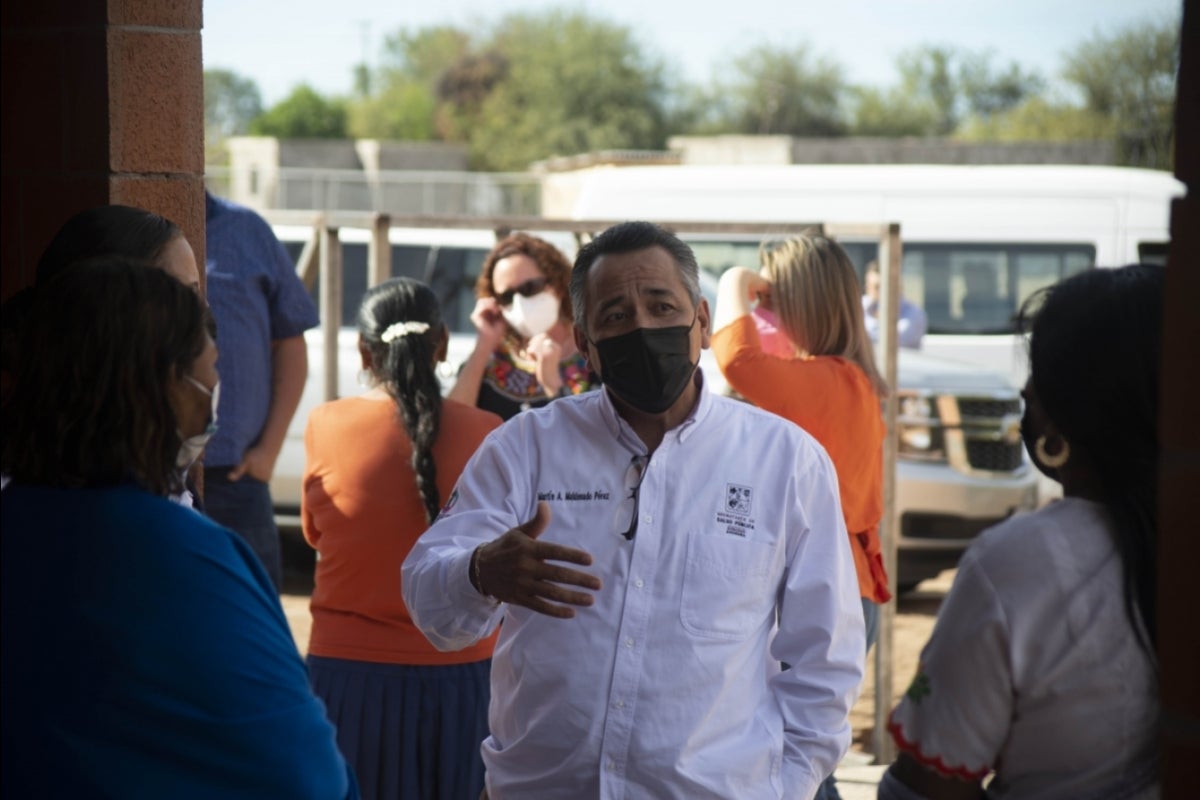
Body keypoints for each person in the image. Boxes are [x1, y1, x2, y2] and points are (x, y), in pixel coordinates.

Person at [403, 221, 865, 799]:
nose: (643, 326)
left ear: (701, 320)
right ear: (588, 346)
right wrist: (478, 571)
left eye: (661, 304)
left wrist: (784, 785)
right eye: (616, 315)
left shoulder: (785, 461)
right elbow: (426, 596)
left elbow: (826, 662)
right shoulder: (525, 448)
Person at [1, 261, 357, 799]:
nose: (216, 386)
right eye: (211, 366)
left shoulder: (20, 524)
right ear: (165, 384)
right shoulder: (186, 558)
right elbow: (309, 779)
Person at [880, 264, 1163, 800]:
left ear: (1061, 411)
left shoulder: (1019, 561)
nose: (1026, 393)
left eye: (1037, 373)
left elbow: (929, 787)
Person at [303, 277, 503, 799]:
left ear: (363, 351)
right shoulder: (486, 430)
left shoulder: (326, 424)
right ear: (442, 344)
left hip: (349, 678)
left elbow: (315, 533)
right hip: (466, 677)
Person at [712, 235, 890, 800]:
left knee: (798, 763)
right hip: (843, 591)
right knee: (805, 759)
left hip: (825, 597)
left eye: (770, 299)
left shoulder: (828, 381)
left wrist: (736, 281)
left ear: (801, 302)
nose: (761, 313)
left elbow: (736, 359)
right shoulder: (848, 381)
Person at [2, 204, 205, 506]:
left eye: (196, 294)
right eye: (177, 297)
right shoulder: (29, 482)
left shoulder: (152, 461)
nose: (199, 320)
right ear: (107, 316)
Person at [204, 190, 318, 591]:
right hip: (145, 479)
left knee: (253, 622)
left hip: (235, 480)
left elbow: (291, 342)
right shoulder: (130, 223)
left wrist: (266, 453)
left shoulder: (246, 229)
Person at [447, 232, 596, 420]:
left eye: (529, 288)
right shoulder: (491, 361)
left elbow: (596, 437)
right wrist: (483, 345)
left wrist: (553, 385)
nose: (519, 303)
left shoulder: (591, 350)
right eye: (507, 296)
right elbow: (453, 422)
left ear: (556, 284)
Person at [861, 261, 927, 349]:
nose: (881, 292)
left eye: (881, 287)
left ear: (897, 286)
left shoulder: (914, 313)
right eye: (873, 287)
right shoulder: (859, 306)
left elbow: (894, 340)